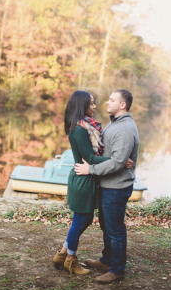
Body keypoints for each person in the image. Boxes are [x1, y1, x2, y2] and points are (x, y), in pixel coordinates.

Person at [51, 90, 133, 275]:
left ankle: (62, 254)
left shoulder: (85, 125)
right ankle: (70, 259)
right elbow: (89, 157)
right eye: (91, 104)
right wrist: (118, 161)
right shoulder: (80, 129)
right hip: (83, 179)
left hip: (87, 178)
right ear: (82, 106)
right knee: (80, 221)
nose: (95, 107)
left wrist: (114, 160)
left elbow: (93, 155)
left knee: (83, 219)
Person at [74, 89, 138, 284]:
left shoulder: (125, 128)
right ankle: (107, 260)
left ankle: (117, 269)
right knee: (106, 226)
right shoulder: (115, 122)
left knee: (115, 229)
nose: (107, 102)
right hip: (107, 185)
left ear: (122, 105)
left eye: (112, 100)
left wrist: (90, 169)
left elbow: (118, 162)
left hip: (116, 187)